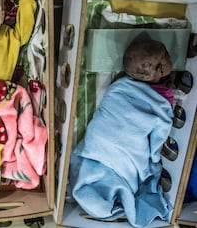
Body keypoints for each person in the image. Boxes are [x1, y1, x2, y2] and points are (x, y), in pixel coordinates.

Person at [69, 39, 175, 227]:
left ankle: (103, 189)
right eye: (166, 56)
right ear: (159, 69)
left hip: (103, 144)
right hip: (110, 144)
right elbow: (161, 126)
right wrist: (154, 155)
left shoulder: (120, 84)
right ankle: (115, 185)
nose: (170, 59)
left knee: (98, 168)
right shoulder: (151, 95)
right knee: (124, 171)